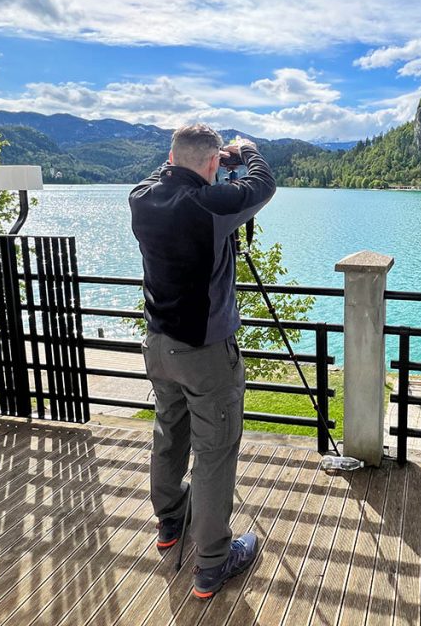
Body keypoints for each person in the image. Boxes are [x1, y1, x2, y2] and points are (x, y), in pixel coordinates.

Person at [128, 124, 275, 599]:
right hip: (207, 353)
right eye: (215, 163)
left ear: (171, 158)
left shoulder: (141, 198)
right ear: (212, 165)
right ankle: (213, 560)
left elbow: (171, 169)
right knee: (214, 453)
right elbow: (263, 184)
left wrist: (204, 158)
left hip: (160, 344)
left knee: (169, 431)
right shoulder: (208, 205)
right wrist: (245, 149)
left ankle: (171, 521)